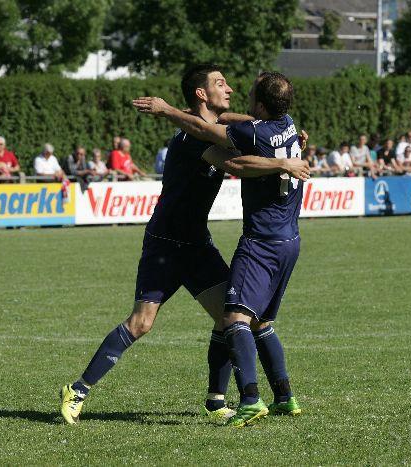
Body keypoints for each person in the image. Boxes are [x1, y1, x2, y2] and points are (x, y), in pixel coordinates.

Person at [61, 64, 309, 427]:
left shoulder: (217, 121)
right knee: (141, 323)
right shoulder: (193, 138)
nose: (231, 88)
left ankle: (216, 399)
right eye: (220, 83)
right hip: (165, 243)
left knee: (230, 318)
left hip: (197, 244)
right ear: (201, 94)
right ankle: (77, 390)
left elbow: (237, 121)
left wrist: (279, 140)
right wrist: (282, 159)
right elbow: (237, 163)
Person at [133, 70, 307, 427]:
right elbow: (227, 121)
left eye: (248, 92)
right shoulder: (285, 124)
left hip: (261, 242)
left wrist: (167, 111)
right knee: (262, 321)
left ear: (259, 104)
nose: (233, 91)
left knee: (233, 319)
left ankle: (250, 400)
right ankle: (285, 397)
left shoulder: (254, 133)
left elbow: (214, 137)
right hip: (290, 239)